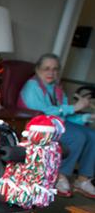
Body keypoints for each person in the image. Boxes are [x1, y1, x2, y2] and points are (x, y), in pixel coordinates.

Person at [20, 53, 94, 198]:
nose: (51, 73)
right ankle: (59, 175)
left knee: (92, 135)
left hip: (57, 124)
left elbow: (65, 115)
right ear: (37, 69)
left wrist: (87, 116)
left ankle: (83, 179)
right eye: (46, 69)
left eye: (54, 69)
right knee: (77, 136)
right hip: (40, 125)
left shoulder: (56, 88)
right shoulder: (32, 86)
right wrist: (74, 108)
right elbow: (42, 112)